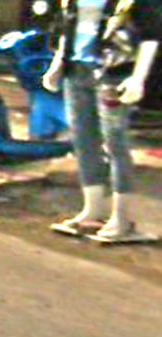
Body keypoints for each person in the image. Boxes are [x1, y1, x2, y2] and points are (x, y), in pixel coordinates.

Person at [44, 0, 162, 240]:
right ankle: (92, 210)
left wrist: (138, 78)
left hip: (113, 74)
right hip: (76, 71)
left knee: (115, 142)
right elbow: (68, 25)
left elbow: (150, 35)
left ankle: (121, 218)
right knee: (83, 141)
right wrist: (57, 64)